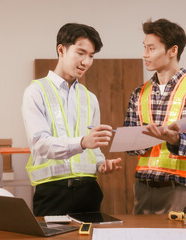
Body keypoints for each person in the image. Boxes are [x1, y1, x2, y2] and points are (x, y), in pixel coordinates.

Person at [22, 23, 122, 217]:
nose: (86, 61)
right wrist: (83, 142)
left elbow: (95, 149)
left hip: (89, 192)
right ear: (61, 49)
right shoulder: (36, 92)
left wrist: (101, 165)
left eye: (91, 56)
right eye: (81, 53)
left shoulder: (90, 97)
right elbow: (40, 144)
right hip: (52, 194)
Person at [123, 18, 186, 214]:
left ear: (172, 50)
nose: (144, 54)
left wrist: (176, 139)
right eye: (144, 48)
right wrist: (134, 141)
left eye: (151, 48)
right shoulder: (139, 93)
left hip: (181, 191)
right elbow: (129, 146)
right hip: (143, 189)